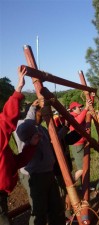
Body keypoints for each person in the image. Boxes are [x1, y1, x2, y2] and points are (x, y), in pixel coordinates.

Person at [0, 67, 40, 225]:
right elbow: (6, 121)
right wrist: (18, 89)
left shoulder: (4, 150)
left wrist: (30, 146)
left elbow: (13, 163)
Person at [16, 100, 65, 225]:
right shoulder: (22, 126)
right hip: (34, 175)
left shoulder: (41, 128)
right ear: (36, 111)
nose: (46, 114)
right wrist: (33, 107)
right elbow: (25, 128)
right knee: (39, 212)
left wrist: (66, 127)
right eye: (42, 111)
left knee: (56, 207)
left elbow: (53, 139)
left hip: (48, 172)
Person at [68, 101, 90, 187]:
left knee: (85, 165)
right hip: (78, 145)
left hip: (82, 143)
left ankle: (83, 186)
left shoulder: (79, 115)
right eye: (79, 107)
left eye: (81, 107)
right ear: (73, 109)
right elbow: (77, 122)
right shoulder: (71, 116)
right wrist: (86, 109)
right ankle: (70, 183)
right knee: (82, 168)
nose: (80, 108)